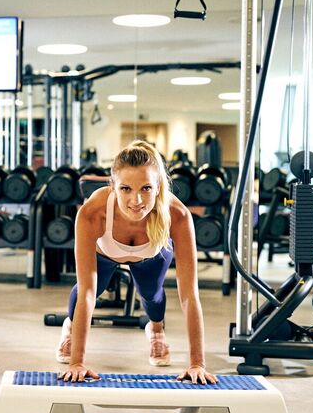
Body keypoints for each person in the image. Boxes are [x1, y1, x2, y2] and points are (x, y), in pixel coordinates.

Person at [57, 141, 217, 385]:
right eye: (125, 189)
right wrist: (77, 362)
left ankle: (155, 329)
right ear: (112, 186)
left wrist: (197, 364)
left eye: (145, 188)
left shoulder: (178, 215)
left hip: (150, 254)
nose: (136, 200)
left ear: (158, 187)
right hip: (105, 254)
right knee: (87, 291)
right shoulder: (93, 212)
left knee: (152, 296)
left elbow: (189, 295)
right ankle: (70, 327)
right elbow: (88, 292)